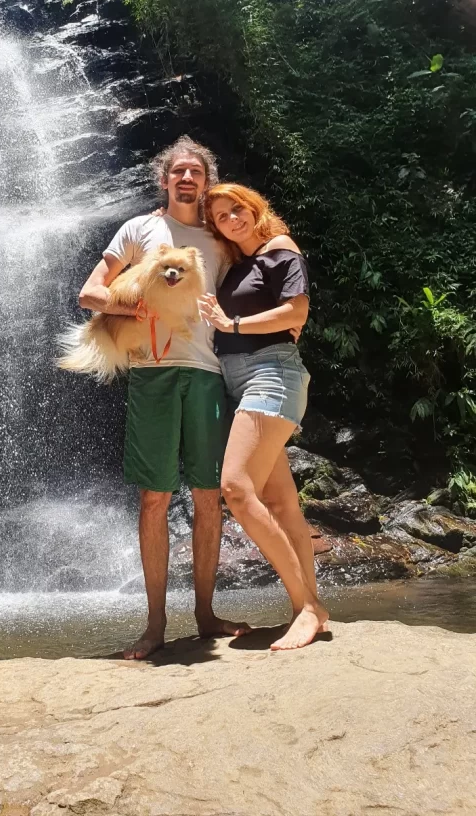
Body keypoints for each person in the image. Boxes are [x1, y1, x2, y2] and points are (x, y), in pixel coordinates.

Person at [77, 137, 251, 659]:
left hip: (207, 372)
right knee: (154, 497)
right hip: (152, 372)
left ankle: (204, 613)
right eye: (178, 171)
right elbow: (90, 293)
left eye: (196, 172)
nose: (186, 179)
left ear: (206, 180)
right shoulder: (137, 229)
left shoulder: (219, 235)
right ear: (164, 179)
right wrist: (138, 313)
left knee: (206, 495)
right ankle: (154, 625)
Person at [198, 183, 329, 650]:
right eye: (220, 216)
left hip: (272, 372)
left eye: (237, 209)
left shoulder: (280, 249)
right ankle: (306, 609)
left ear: (255, 209)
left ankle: (309, 607)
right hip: (238, 379)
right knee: (281, 502)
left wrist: (230, 324)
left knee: (235, 487)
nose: (231, 218)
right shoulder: (234, 266)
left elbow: (297, 310)